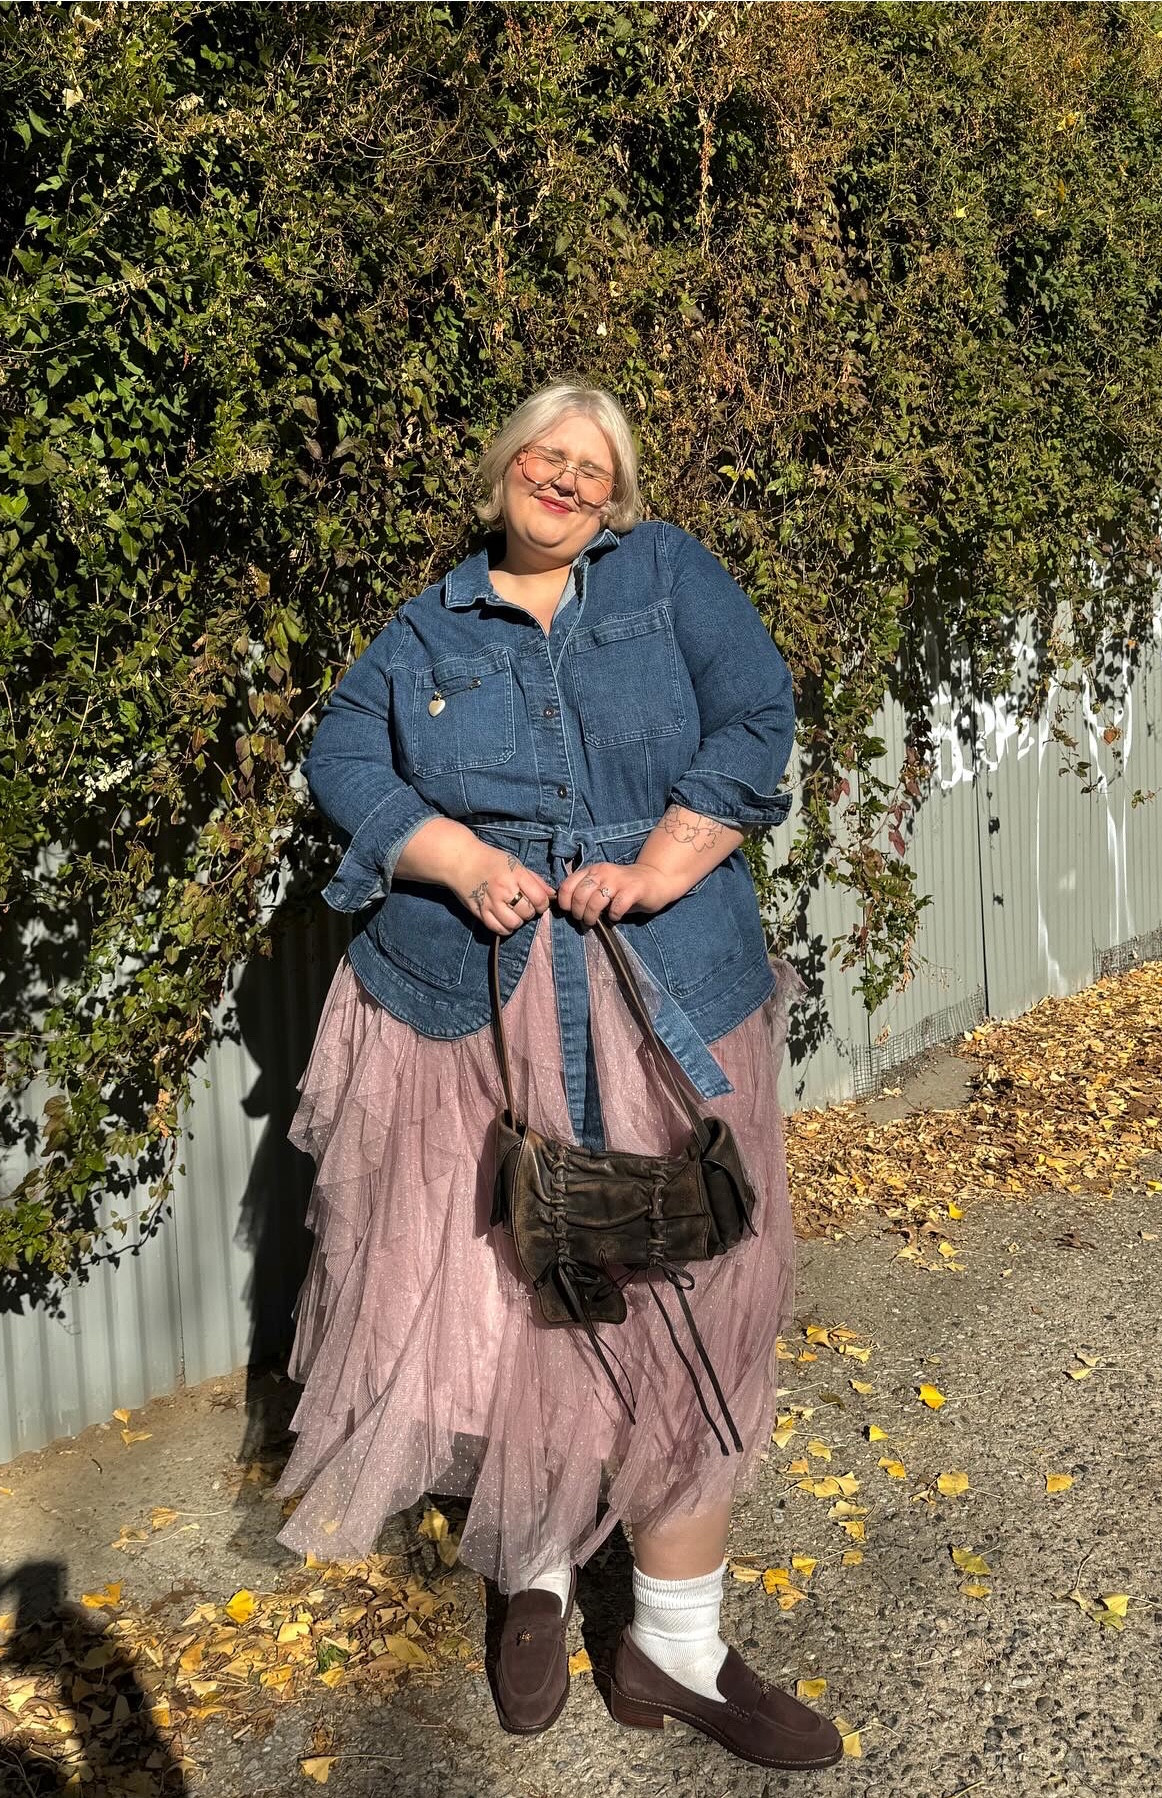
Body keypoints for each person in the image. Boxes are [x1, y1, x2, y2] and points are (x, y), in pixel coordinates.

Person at [277, 379, 842, 1770]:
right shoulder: (427, 627)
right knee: (507, 1289)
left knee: (691, 1291)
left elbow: (756, 713)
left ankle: (677, 1644)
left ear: (617, 494)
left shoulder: (669, 578)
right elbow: (340, 751)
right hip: (471, 1010)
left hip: (670, 1002)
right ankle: (529, 1575)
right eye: (546, 452)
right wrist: (456, 856)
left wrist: (662, 861)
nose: (567, 477)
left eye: (594, 465)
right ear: (503, 471)